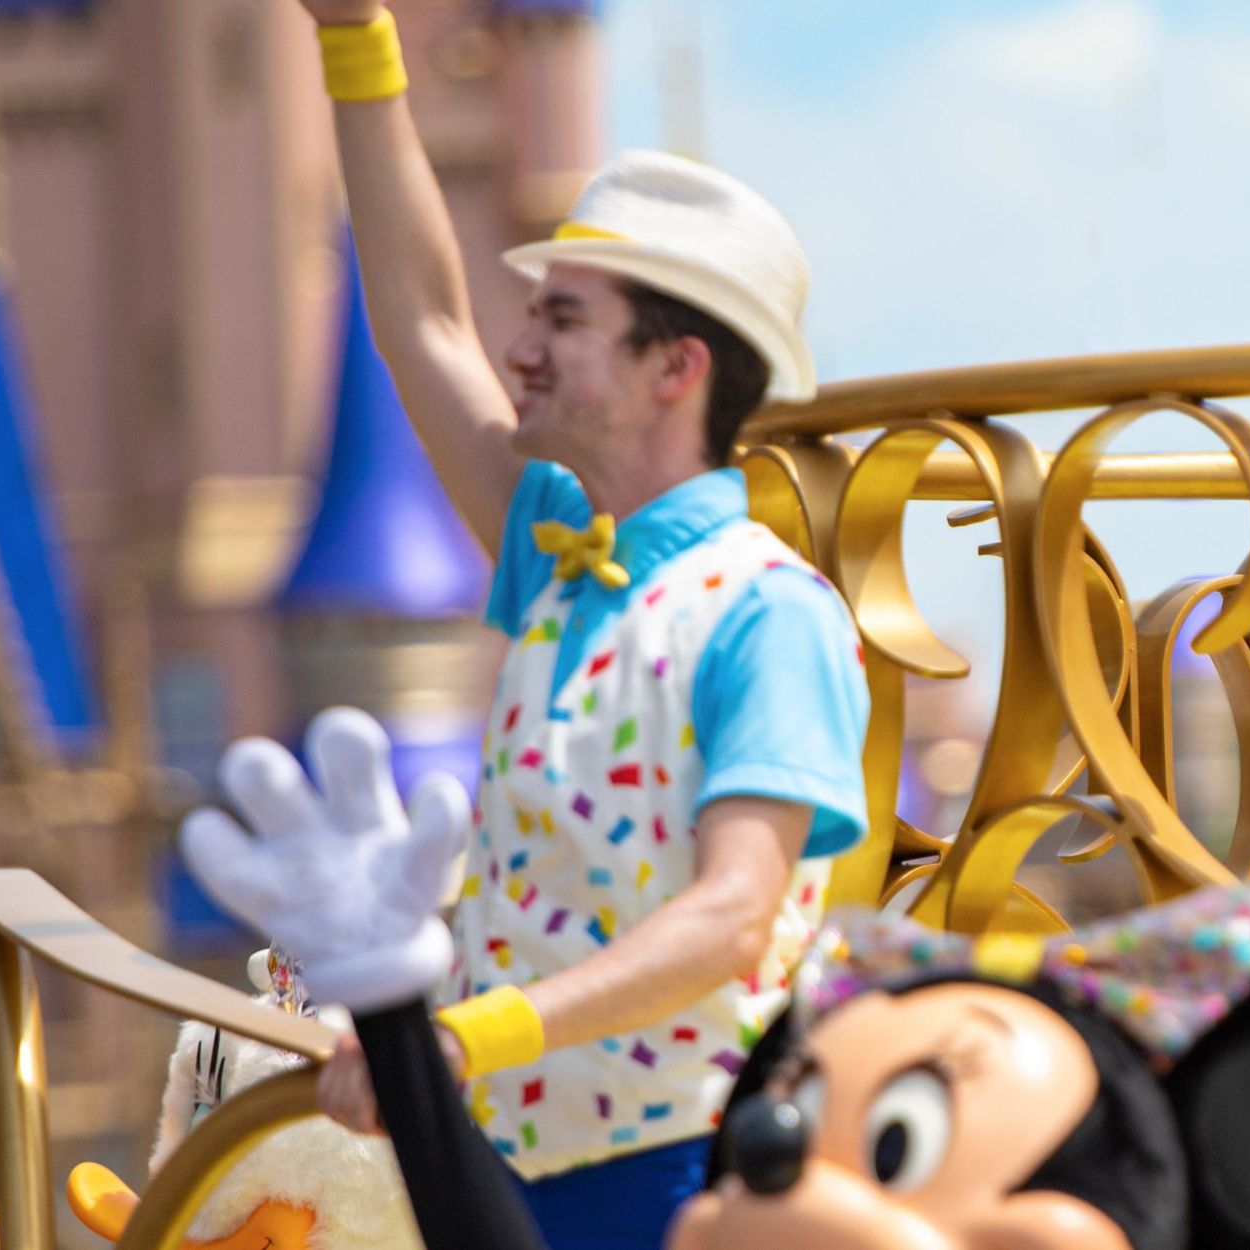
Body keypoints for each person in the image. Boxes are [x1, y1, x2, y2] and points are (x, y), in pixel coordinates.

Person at [270, 4, 868, 1248]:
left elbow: (732, 914)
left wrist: (459, 1036)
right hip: (513, 1163)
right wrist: (356, 40)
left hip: (687, 1174)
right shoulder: (556, 553)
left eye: (564, 319)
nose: (518, 347)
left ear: (676, 367)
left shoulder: (767, 612)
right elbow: (419, 321)